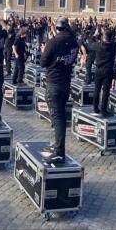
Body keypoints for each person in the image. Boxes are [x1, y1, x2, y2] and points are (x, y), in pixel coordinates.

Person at [40, 17, 78, 164]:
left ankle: (59, 152)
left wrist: (45, 50)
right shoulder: (73, 41)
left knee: (58, 119)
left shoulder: (53, 42)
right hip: (65, 83)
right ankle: (57, 146)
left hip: (54, 84)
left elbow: (43, 62)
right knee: (60, 116)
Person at [90, 28, 116, 116]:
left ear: (103, 37)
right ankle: (103, 110)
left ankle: (95, 108)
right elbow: (114, 41)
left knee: (97, 90)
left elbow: (90, 44)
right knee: (106, 91)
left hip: (99, 70)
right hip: (108, 70)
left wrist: (95, 35)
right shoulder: (114, 46)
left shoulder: (98, 45)